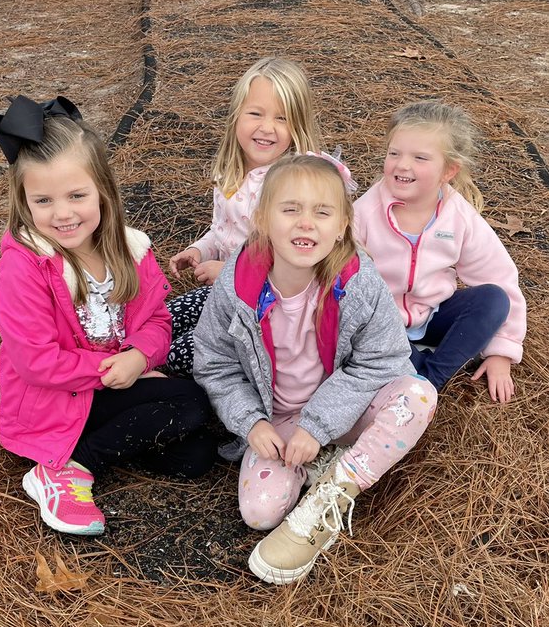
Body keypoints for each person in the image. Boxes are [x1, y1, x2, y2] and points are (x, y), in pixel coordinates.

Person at [193, 153, 437, 586]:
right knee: (260, 513)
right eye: (290, 210)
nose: (306, 223)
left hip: (348, 409)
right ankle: (320, 460)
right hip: (280, 417)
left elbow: (380, 361)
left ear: (342, 225)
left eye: (322, 212)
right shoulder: (238, 284)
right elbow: (214, 362)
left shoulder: (358, 282)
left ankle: (336, 489)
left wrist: (319, 425)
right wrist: (251, 422)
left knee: (418, 395)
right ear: (263, 219)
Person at [0, 94, 216, 537]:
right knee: (190, 403)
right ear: (25, 203)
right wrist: (114, 371)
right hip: (55, 399)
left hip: (109, 384)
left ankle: (93, 449)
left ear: (103, 192)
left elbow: (156, 322)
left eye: (77, 195)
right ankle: (65, 470)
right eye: (44, 200)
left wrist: (139, 358)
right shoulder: (25, 266)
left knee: (196, 455)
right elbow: (37, 362)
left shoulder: (129, 250)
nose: (64, 213)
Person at [166, 56, 339, 376]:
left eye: (282, 118)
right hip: (225, 297)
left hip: (269, 316)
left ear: (297, 127)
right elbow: (224, 230)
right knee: (161, 321)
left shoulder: (294, 188)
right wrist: (199, 250)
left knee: (179, 353)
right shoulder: (234, 173)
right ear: (236, 117)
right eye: (255, 114)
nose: (266, 127)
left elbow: (296, 265)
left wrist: (231, 275)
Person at [354, 99, 526, 403]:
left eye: (420, 157)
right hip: (380, 324)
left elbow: (499, 275)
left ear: (448, 171)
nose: (402, 165)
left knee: (492, 299)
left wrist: (502, 350)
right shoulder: (364, 213)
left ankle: (430, 378)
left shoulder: (457, 217)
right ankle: (409, 371)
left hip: (432, 314)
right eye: (394, 153)